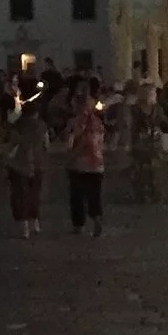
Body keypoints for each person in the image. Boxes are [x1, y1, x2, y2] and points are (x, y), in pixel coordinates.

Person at [64, 79, 105, 237]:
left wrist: (69, 156)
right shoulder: (98, 123)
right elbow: (100, 141)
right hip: (97, 164)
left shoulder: (75, 122)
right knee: (95, 194)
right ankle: (96, 217)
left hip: (78, 164)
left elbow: (69, 142)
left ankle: (79, 225)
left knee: (78, 196)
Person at [4, 94, 47, 239]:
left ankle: (24, 228)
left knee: (20, 195)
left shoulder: (17, 126)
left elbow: (10, 146)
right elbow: (46, 144)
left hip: (19, 164)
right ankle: (35, 223)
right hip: (37, 164)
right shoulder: (41, 126)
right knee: (35, 194)